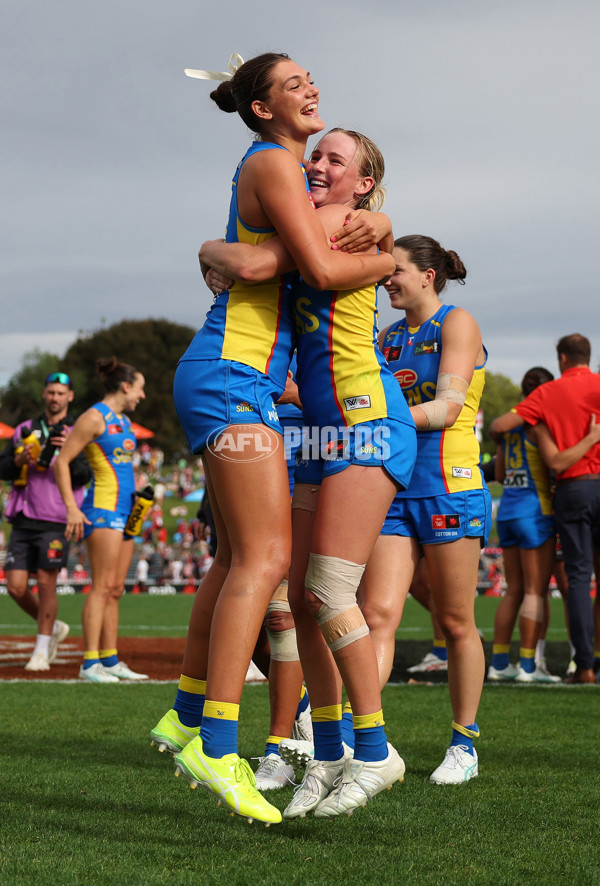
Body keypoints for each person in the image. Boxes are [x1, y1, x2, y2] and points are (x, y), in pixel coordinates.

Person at [152, 54, 395, 827]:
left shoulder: (277, 167)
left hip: (234, 378)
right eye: (292, 85)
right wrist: (393, 254)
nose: (311, 90)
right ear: (261, 109)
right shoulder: (271, 161)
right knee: (268, 562)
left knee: (240, 561)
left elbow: (264, 260)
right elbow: (315, 266)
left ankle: (189, 717)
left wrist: (214, 251)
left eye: (309, 79)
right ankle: (219, 744)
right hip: (231, 377)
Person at [201, 128, 416, 818]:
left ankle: (375, 752)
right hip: (325, 428)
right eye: (314, 154)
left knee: (326, 587)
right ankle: (325, 756)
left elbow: (256, 264)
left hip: (367, 418)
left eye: (335, 159)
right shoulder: (341, 221)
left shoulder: (338, 221)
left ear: (363, 182)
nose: (318, 165)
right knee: (300, 595)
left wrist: (209, 249)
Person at [358, 235, 491, 785]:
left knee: (455, 620)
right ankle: (363, 736)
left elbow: (450, 407)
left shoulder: (458, 323)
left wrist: (376, 422)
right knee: (376, 616)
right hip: (395, 486)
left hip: (450, 487)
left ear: (428, 276)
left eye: (396, 271)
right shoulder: (386, 338)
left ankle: (464, 744)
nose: (387, 279)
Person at [489, 334, 600, 684]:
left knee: (550, 585)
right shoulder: (591, 389)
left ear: (563, 359)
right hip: (542, 507)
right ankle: (537, 664)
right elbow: (552, 458)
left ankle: (573, 666)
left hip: (528, 504)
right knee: (544, 589)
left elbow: (500, 441)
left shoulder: (540, 401)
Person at [53, 357, 148, 684]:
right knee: (102, 586)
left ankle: (110, 660)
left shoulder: (122, 421)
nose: (142, 395)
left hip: (127, 511)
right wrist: (71, 507)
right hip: (102, 509)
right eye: (140, 388)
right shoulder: (94, 417)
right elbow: (62, 461)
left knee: (117, 589)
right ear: (125, 386)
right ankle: (89, 663)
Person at [0, 371, 90, 671]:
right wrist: (16, 461)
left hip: (58, 516)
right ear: (44, 394)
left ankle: (40, 649)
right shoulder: (25, 428)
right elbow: (3, 468)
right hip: (24, 514)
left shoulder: (79, 429)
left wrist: (70, 452)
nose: (55, 398)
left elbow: (83, 475)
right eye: (51, 392)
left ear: (70, 397)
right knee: (15, 587)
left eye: (60, 393)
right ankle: (54, 626)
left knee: (47, 582)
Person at [488, 367, 561, 683]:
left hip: (507, 511)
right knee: (535, 591)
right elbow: (555, 463)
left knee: (513, 590)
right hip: (536, 511)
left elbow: (501, 475)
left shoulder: (507, 430)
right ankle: (529, 667)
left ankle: (499, 663)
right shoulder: (540, 425)